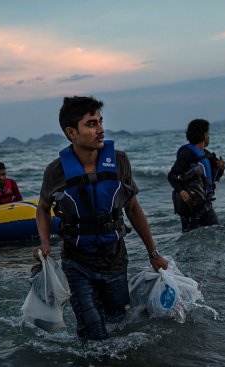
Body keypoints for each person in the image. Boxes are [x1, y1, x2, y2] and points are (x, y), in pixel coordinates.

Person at [32, 96, 168, 340]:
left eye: (100, 122)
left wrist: (153, 253)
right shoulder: (56, 171)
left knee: (118, 325)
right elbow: (42, 208)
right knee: (93, 332)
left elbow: (133, 208)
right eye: (92, 124)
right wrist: (45, 243)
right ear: (72, 132)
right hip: (77, 264)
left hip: (115, 261)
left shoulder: (119, 161)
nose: (101, 129)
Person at [167, 119, 225, 232]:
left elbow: (214, 177)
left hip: (205, 206)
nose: (209, 136)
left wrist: (221, 168)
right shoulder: (187, 154)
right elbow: (172, 176)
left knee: (217, 235)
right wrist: (182, 192)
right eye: (208, 134)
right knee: (192, 243)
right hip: (191, 209)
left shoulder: (207, 155)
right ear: (203, 135)